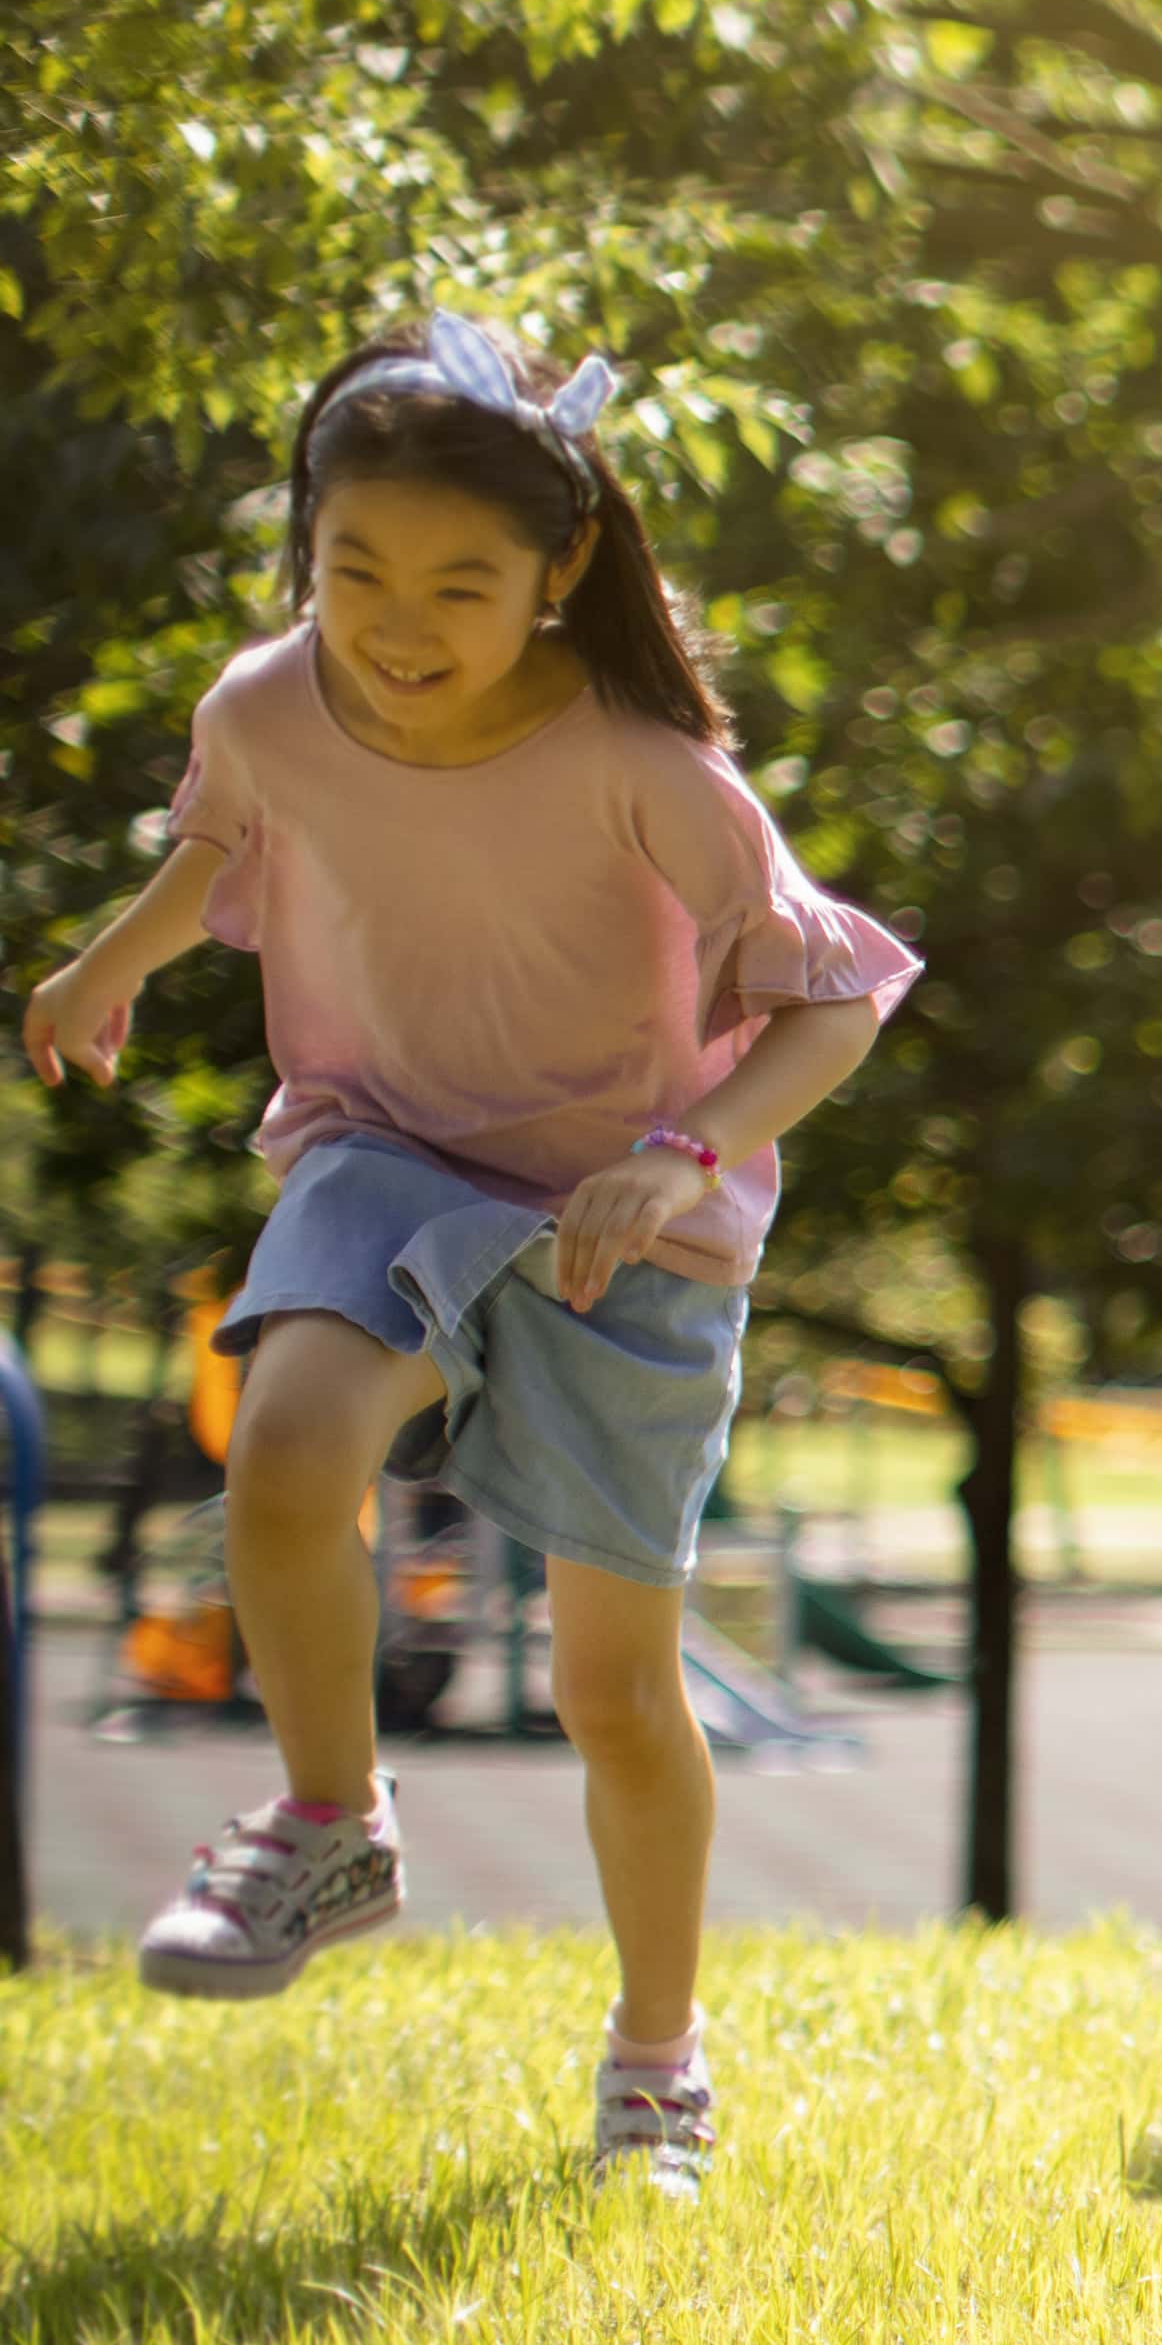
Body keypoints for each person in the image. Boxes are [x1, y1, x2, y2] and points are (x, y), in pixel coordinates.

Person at [23, 314, 922, 2192]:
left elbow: (830, 1004)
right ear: (305, 548)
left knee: (612, 1691)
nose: (397, 622)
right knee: (280, 1451)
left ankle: (657, 2057)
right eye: (352, 570)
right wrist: (120, 954)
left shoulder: (647, 763)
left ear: (559, 570)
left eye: (457, 583)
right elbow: (229, 837)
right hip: (388, 1145)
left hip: (625, 1216)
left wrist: (688, 1155)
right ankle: (331, 1818)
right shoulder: (267, 703)